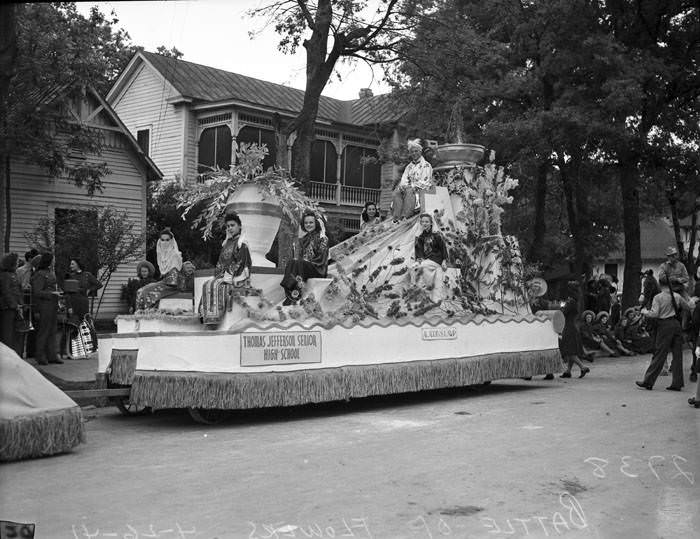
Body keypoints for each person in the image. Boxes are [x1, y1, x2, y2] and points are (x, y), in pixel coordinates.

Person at [635, 275, 690, 391]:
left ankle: (648, 381)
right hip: (676, 324)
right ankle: (677, 383)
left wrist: (645, 311)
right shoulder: (677, 296)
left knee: (659, 353)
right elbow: (688, 307)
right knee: (677, 355)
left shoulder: (658, 297)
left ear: (660, 284)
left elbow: (654, 314)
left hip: (664, 325)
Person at [200, 211, 252, 325]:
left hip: (236, 277)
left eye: (232, 225)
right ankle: (205, 317)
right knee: (207, 284)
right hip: (223, 276)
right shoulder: (227, 243)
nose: (230, 228)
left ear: (240, 226)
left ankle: (215, 318)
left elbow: (241, 262)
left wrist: (229, 275)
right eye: (228, 226)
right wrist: (219, 274)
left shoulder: (241, 243)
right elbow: (220, 262)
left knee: (215, 285)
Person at [280, 210, 329, 305]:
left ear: (316, 224)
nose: (308, 225)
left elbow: (321, 258)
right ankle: (291, 292)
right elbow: (300, 256)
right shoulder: (304, 239)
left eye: (311, 222)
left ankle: (295, 294)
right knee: (291, 262)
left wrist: (306, 261)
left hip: (317, 268)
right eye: (306, 223)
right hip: (304, 266)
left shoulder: (323, 238)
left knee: (299, 263)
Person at [135, 228, 184, 311]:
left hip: (173, 285)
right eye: (162, 240)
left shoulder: (174, 255)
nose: (164, 243)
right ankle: (140, 316)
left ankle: (146, 315)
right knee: (141, 291)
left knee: (144, 291)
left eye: (167, 240)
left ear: (171, 241)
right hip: (166, 283)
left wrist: (158, 284)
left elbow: (173, 281)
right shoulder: (163, 255)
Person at [30, 253, 62, 365]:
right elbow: (37, 292)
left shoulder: (51, 273)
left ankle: (52, 355)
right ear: (48, 261)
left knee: (53, 330)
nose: (53, 262)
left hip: (53, 304)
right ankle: (40, 356)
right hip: (44, 305)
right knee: (44, 331)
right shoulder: (39, 274)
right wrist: (51, 293)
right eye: (52, 260)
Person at [391, 139, 433, 221]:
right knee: (397, 192)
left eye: (416, 151)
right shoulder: (409, 166)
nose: (414, 153)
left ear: (420, 152)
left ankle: (406, 216)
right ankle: (396, 218)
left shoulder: (427, 165)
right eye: (412, 152)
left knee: (409, 191)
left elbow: (426, 181)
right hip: (408, 188)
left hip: (419, 189)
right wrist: (403, 186)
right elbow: (404, 178)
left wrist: (412, 186)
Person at [412, 213, 448, 303]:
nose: (425, 223)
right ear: (421, 223)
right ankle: (418, 292)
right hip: (426, 260)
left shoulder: (437, 235)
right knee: (414, 267)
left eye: (427, 222)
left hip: (436, 259)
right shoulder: (420, 237)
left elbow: (443, 248)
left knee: (423, 266)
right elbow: (419, 251)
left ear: (431, 223)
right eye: (423, 222)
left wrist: (444, 261)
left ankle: (428, 289)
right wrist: (419, 259)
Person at [559, 284, 590, 379]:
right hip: (573, 327)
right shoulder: (576, 301)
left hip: (568, 328)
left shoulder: (571, 302)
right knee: (572, 350)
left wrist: (561, 307)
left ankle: (582, 367)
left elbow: (563, 313)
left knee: (569, 351)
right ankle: (568, 371)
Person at [0, 253, 23, 355]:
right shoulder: (5, 275)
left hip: (15, 308)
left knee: (15, 333)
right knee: (7, 334)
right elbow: (6, 292)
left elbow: (17, 290)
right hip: (7, 308)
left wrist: (21, 303)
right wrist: (14, 305)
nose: (18, 263)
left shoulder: (14, 274)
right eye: (17, 261)